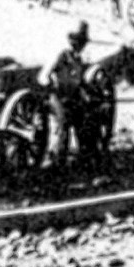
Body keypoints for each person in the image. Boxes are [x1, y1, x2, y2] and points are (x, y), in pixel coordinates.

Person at [39, 21, 92, 170]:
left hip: (72, 96)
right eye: (79, 41)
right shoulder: (61, 54)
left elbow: (80, 80)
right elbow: (43, 76)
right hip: (57, 97)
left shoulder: (78, 59)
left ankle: (85, 160)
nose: (81, 46)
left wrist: (85, 90)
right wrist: (51, 85)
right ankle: (56, 162)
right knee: (62, 126)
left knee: (83, 124)